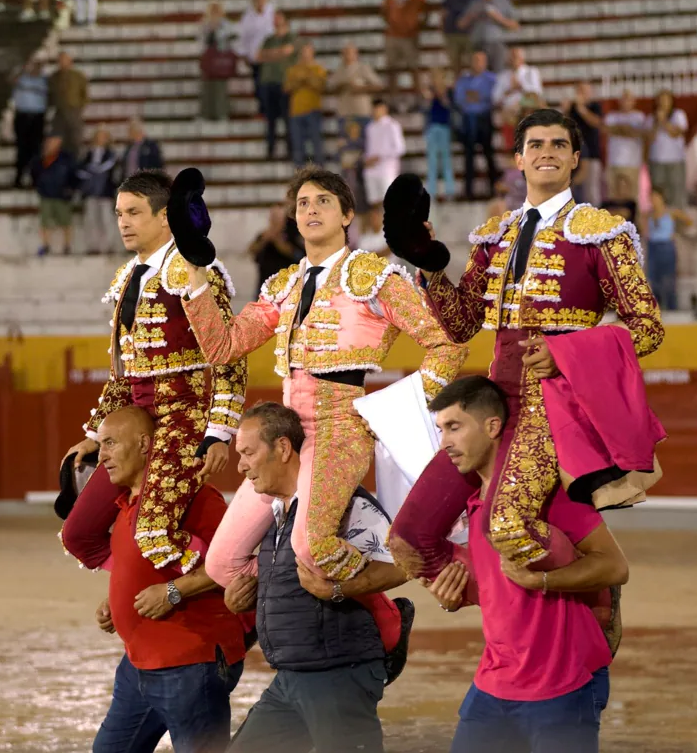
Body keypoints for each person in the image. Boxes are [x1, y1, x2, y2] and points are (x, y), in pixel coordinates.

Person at [178, 166, 465, 663]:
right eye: (303, 203)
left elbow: (445, 344)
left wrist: (409, 405)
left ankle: (386, 615)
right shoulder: (282, 285)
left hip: (341, 428)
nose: (310, 210)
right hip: (282, 436)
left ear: (347, 215)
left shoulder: (374, 275)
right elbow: (223, 347)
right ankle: (293, 603)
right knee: (225, 563)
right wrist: (197, 274)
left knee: (314, 549)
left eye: (323, 202)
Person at [384, 107, 664, 575]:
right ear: (518, 159)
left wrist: (567, 353)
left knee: (509, 523)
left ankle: (591, 596)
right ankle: (483, 592)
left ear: (576, 158)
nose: (547, 153)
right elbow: (461, 325)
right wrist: (429, 264)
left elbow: (648, 328)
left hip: (555, 404)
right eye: (536, 145)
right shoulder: (495, 236)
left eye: (558, 145)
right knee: (410, 535)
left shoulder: (602, 234)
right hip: (492, 400)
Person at [417, 376, 628, 753]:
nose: (444, 442)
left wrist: (543, 581)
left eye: (454, 427)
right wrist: (455, 597)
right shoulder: (471, 504)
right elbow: (502, 592)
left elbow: (615, 567)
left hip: (564, 682)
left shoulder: (551, 498)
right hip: (493, 682)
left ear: (492, 426)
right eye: (440, 430)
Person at [58, 170, 247, 574]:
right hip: (133, 427)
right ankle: (131, 588)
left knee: (155, 533)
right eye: (119, 213)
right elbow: (122, 372)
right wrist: (96, 436)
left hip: (184, 420)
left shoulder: (196, 270)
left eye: (134, 212)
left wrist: (218, 433)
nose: (123, 222)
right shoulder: (128, 277)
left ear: (165, 217)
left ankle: (226, 596)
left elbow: (230, 358)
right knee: (77, 534)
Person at [222, 403, 411, 753]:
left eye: (248, 452)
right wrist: (242, 602)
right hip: (291, 676)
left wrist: (339, 589)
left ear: (282, 448)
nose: (241, 465)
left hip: (339, 672)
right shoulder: (275, 515)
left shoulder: (345, 504)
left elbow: (402, 564)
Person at [79, 407, 247, 753]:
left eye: (110, 442)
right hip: (137, 665)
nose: (103, 454)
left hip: (190, 663)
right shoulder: (127, 503)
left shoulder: (196, 498)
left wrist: (173, 592)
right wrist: (118, 600)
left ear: (144, 444)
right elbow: (148, 566)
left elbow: (236, 563)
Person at [452, 50, 499, 200]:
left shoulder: (492, 79)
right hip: (469, 119)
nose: (478, 64)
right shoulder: (464, 80)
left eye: (481, 60)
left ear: (485, 63)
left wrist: (474, 96)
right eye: (475, 60)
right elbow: (459, 99)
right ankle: (468, 191)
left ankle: (494, 188)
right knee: (468, 155)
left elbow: (492, 97)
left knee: (488, 153)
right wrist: (478, 97)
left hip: (484, 118)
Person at [380, 0, 426, 110]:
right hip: (393, 35)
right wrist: (392, 23)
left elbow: (424, 9)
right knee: (392, 69)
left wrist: (416, 26)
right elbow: (384, 11)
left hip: (410, 35)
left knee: (414, 68)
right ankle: (393, 99)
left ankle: (418, 98)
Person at [256, 12, 299, 161]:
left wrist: (270, 54)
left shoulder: (291, 37)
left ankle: (290, 150)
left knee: (287, 119)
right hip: (268, 82)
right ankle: (270, 149)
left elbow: (288, 51)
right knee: (270, 120)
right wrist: (278, 53)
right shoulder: (269, 39)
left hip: (284, 83)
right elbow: (258, 56)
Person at [458, 0, 519, 73]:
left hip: (496, 43)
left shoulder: (504, 2)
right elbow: (460, 24)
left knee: (498, 74)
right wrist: (472, 16)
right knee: (478, 74)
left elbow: (515, 25)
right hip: (477, 45)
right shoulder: (474, 3)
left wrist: (498, 17)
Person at [646, 188, 691, 312]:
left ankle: (672, 308)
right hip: (653, 247)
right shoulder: (648, 214)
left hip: (666, 246)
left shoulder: (671, 212)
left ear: (662, 198)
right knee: (654, 280)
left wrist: (678, 231)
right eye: (652, 197)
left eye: (656, 197)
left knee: (668, 280)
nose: (653, 200)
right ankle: (657, 310)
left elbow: (688, 221)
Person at [31, 135, 77, 255]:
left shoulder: (65, 159)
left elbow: (73, 175)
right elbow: (34, 174)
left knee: (65, 221)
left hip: (61, 195)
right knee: (45, 221)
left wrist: (70, 189)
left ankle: (67, 246)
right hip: (45, 194)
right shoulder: (40, 159)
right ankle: (45, 245)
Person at [560, 81, 603, 206]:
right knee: (575, 191)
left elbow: (597, 123)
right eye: (580, 91)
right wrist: (566, 111)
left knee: (591, 192)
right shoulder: (572, 108)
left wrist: (582, 109)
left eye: (585, 90)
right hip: (574, 155)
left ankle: (595, 221)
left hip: (592, 155)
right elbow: (564, 127)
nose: (582, 94)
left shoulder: (595, 106)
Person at [283, 44, 327, 167]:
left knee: (316, 143)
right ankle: (300, 175)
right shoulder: (293, 70)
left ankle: (320, 173)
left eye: (308, 52)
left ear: (312, 53)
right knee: (297, 145)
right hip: (295, 112)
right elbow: (287, 88)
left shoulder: (319, 69)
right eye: (303, 52)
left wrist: (305, 78)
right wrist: (301, 80)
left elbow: (320, 86)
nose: (305, 55)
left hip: (313, 110)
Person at [78, 126, 120, 255]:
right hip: (90, 192)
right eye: (99, 136)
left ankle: (109, 246)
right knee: (91, 219)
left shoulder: (111, 154)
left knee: (106, 219)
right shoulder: (88, 153)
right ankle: (93, 246)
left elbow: (109, 169)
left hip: (105, 191)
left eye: (104, 136)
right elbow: (81, 170)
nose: (101, 139)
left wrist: (94, 170)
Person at [603, 90, 646, 211]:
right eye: (624, 99)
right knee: (613, 196)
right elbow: (607, 129)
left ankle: (632, 225)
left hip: (632, 163)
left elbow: (638, 133)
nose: (626, 102)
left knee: (632, 197)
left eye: (629, 99)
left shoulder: (639, 116)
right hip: (614, 162)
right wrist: (627, 130)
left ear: (634, 101)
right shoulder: (612, 116)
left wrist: (620, 129)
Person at [248, 203, 303, 296]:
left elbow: (298, 255)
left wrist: (279, 242)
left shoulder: (293, 234)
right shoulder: (264, 234)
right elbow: (251, 250)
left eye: (277, 217)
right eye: (273, 217)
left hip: (287, 285)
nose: (274, 220)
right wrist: (265, 239)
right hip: (265, 283)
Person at [235, 0, 276, 113]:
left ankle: (274, 109)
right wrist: (243, 54)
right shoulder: (247, 16)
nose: (259, 0)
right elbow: (242, 37)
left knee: (273, 84)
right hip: (255, 57)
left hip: (272, 56)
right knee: (259, 84)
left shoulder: (272, 12)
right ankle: (263, 109)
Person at [326, 44, 382, 135]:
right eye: (345, 53)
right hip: (344, 113)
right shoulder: (338, 70)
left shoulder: (363, 68)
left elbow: (378, 85)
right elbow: (330, 89)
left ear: (356, 54)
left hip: (362, 111)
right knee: (346, 145)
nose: (347, 56)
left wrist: (360, 89)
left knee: (364, 142)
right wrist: (342, 86)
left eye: (350, 53)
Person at [647, 89, 688, 209]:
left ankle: (678, 224)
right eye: (660, 100)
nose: (663, 102)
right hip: (656, 161)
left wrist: (663, 120)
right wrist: (656, 122)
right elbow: (649, 138)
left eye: (666, 99)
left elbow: (676, 133)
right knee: (659, 194)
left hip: (675, 161)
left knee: (677, 193)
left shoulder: (678, 115)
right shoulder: (651, 118)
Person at [492, 47, 542, 147]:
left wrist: (521, 86)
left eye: (516, 57)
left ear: (522, 58)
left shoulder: (531, 72)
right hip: (509, 111)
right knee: (507, 115)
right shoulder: (502, 76)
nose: (513, 60)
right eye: (511, 57)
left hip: (526, 107)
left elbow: (537, 93)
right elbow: (495, 98)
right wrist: (509, 90)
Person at [10, 57, 48, 188]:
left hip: (38, 117)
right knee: (22, 148)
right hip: (22, 116)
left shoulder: (44, 80)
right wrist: (22, 69)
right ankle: (19, 177)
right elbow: (10, 79)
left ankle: (35, 178)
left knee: (36, 149)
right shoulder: (21, 79)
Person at [362, 99, 405, 213]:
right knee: (374, 204)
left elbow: (400, 149)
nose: (376, 111)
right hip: (371, 170)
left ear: (384, 109)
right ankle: (379, 230)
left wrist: (379, 157)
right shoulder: (370, 127)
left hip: (387, 170)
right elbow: (369, 148)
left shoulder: (392, 125)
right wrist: (367, 160)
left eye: (378, 108)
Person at [198, 0, 237, 122]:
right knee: (207, 88)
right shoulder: (204, 24)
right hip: (209, 60)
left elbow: (231, 39)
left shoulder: (226, 24)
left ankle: (222, 113)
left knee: (220, 88)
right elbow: (201, 41)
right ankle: (205, 114)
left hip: (220, 60)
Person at [442, 0, 482, 76]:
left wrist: (467, 20)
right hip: (452, 32)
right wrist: (442, 27)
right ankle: (458, 88)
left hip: (470, 32)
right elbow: (445, 10)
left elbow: (479, 9)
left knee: (472, 62)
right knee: (455, 64)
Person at [421, 69, 456, 201]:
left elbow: (449, 106)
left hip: (444, 127)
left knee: (446, 160)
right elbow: (425, 107)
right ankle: (432, 192)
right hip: (432, 128)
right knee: (432, 161)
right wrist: (428, 97)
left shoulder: (448, 91)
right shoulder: (428, 92)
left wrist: (442, 95)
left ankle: (449, 191)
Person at [48, 51, 88, 158]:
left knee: (75, 139)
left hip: (74, 110)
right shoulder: (53, 77)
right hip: (59, 111)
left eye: (65, 60)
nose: (62, 63)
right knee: (57, 139)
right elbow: (50, 95)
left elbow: (84, 94)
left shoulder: (78, 76)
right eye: (60, 60)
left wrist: (79, 107)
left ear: (70, 61)